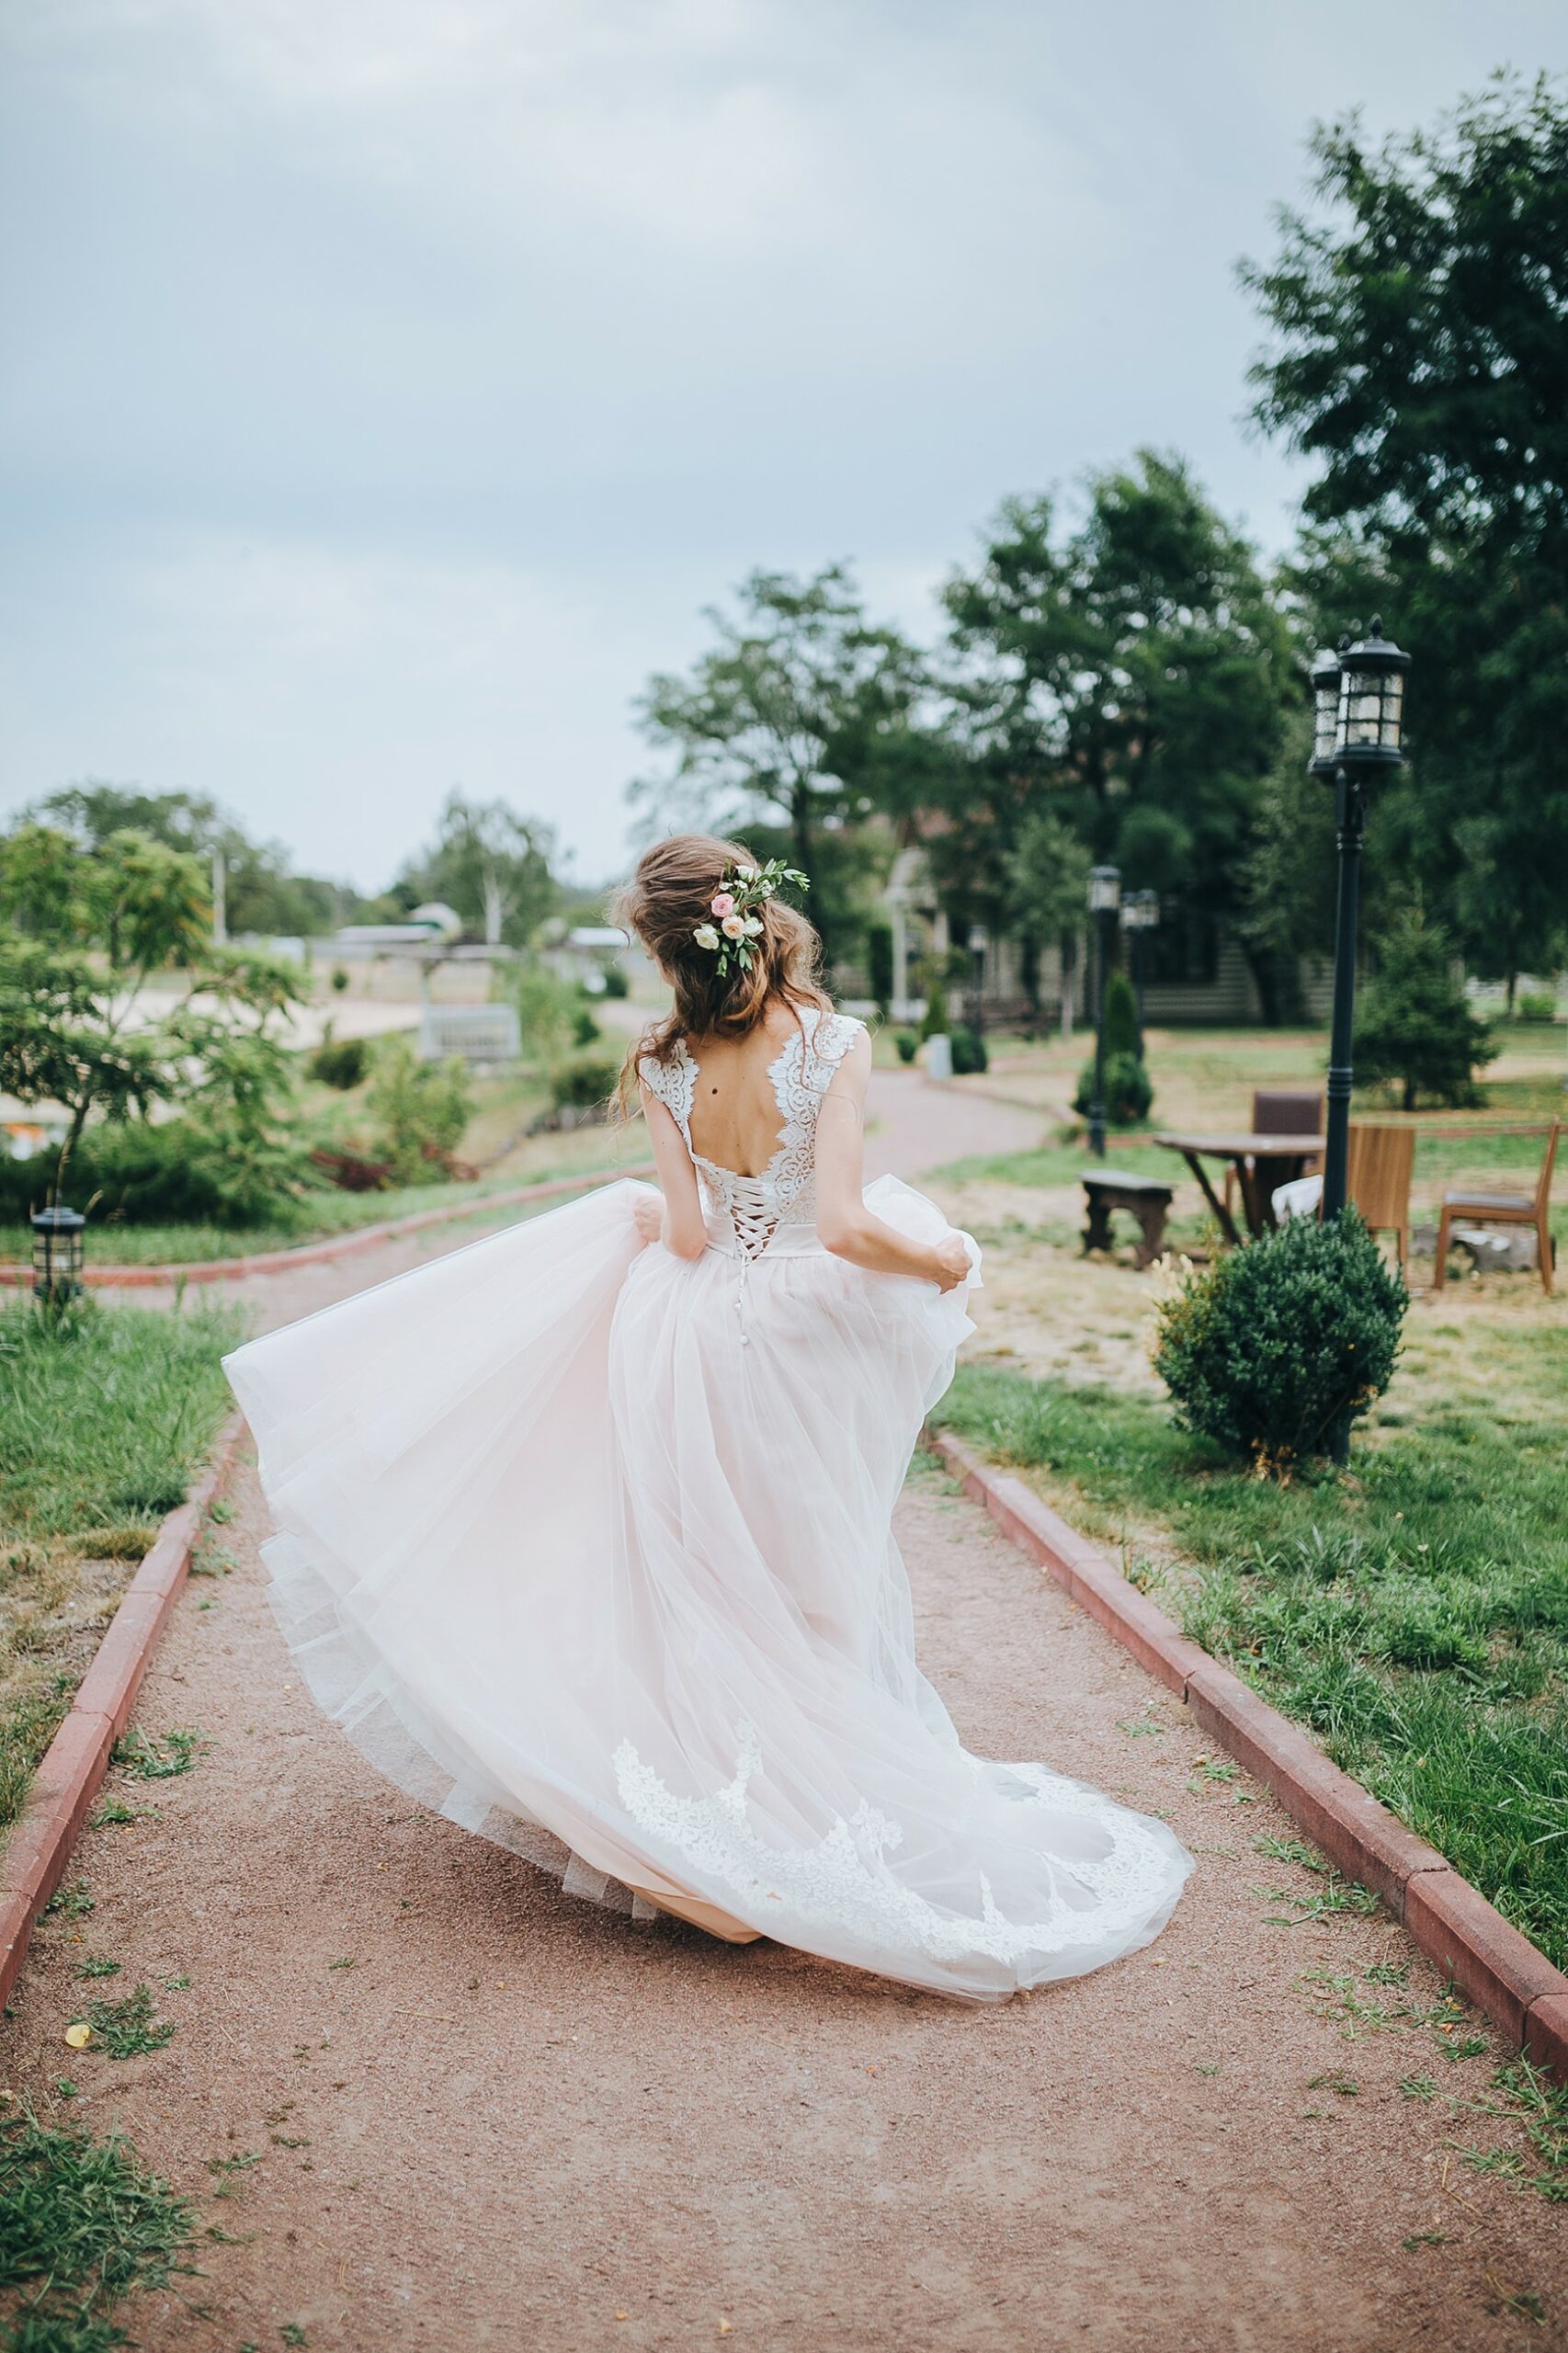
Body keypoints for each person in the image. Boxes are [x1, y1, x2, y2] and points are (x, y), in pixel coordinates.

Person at [224, 834, 1191, 2000]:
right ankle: (809, 1823)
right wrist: (939, 1254)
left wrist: (642, 1212)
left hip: (692, 1334)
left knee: (708, 1576)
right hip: (800, 1337)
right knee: (809, 1572)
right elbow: (839, 1224)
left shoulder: (666, 1061)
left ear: (674, 948)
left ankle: (730, 1819)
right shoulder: (831, 1041)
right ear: (757, 915)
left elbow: (686, 1237)